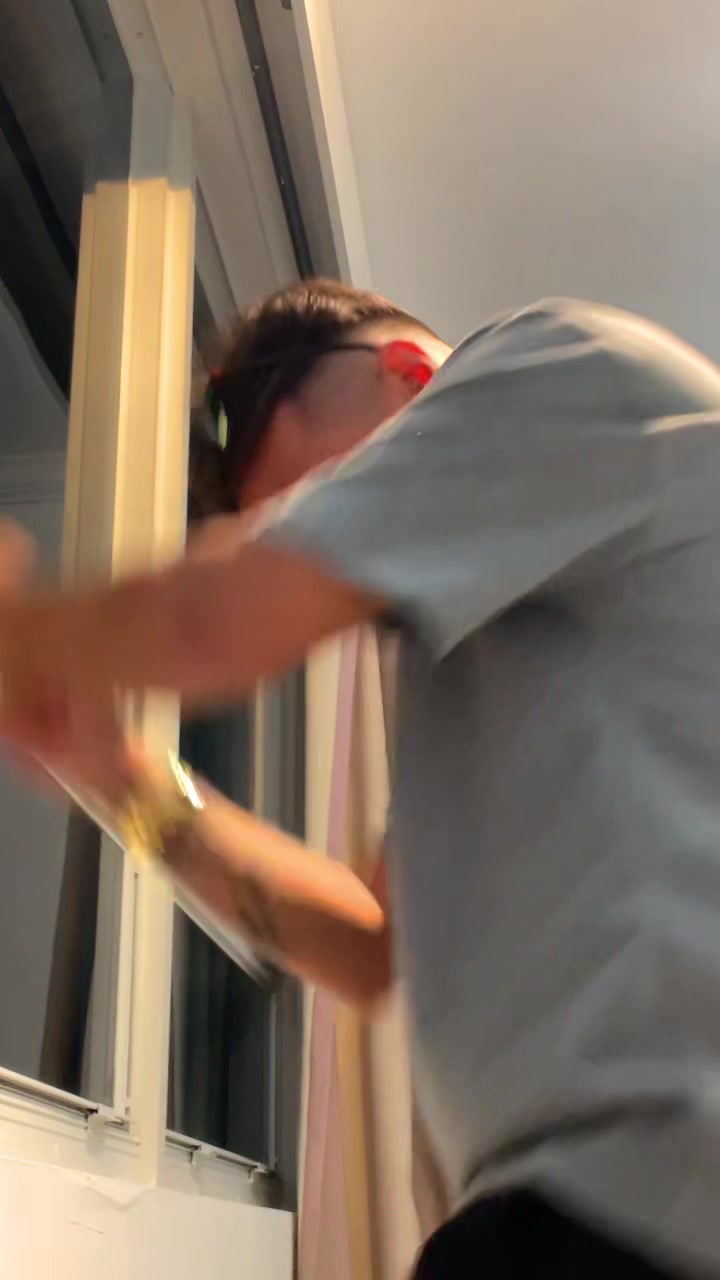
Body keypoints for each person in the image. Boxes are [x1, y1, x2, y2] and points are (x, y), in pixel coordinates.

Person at [2, 280, 720, 1277]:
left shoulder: (557, 358)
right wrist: (122, 777)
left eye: (330, 498)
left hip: (637, 1204)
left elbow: (219, 617)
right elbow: (371, 943)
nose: (340, 567)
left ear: (410, 372)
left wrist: (21, 634)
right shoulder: (500, 651)